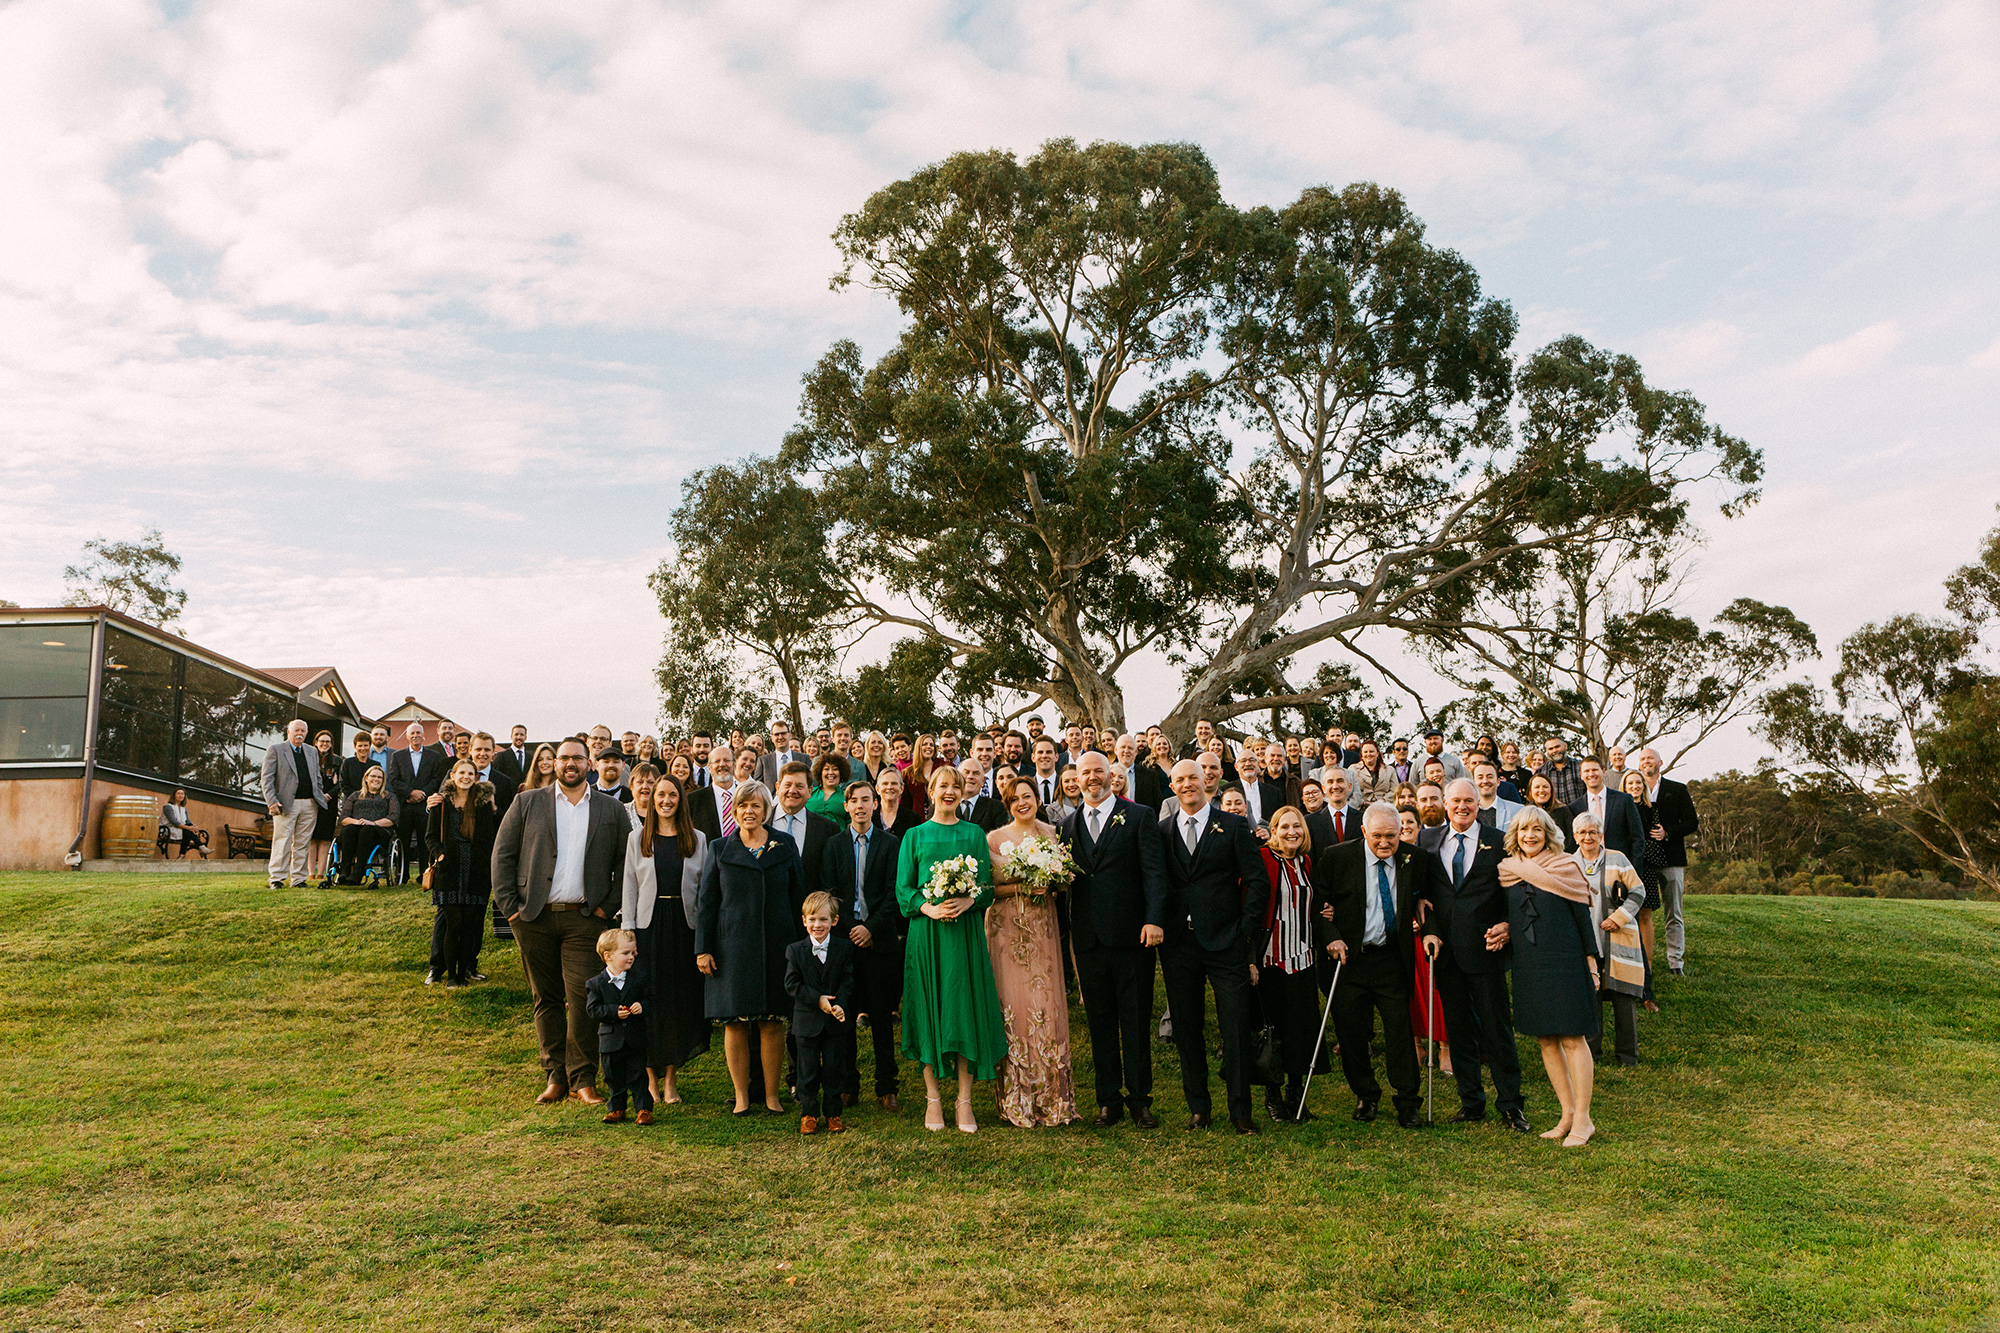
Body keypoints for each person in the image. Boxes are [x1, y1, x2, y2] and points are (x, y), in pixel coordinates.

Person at [493, 739, 629, 1107]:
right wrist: (512, 910)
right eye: (563, 758)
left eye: (577, 758)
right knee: (546, 998)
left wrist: (605, 909)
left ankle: (582, 1078)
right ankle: (555, 1076)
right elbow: (502, 856)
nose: (570, 764)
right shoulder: (527, 802)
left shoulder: (611, 809)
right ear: (553, 764)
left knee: (583, 997)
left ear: (590, 764)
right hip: (533, 918)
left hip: (585, 920)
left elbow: (623, 863)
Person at [1154, 759, 1265, 1133]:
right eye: (1180, 779)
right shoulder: (1163, 830)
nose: (1187, 784)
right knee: (1187, 1027)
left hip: (1226, 942)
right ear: (1172, 787)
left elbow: (1257, 881)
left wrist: (1243, 931)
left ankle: (1240, 1111)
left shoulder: (1233, 825)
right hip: (1178, 945)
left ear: (1207, 782)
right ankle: (1199, 1108)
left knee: (1234, 1026)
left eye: (1193, 778)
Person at [897, 765, 1008, 1134]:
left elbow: (987, 888)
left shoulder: (974, 833)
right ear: (930, 790)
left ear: (963, 792)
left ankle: (964, 1100)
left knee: (962, 1010)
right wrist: (926, 907)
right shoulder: (914, 835)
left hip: (963, 936)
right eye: (942, 785)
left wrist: (968, 902)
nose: (949, 791)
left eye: (955, 786)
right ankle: (932, 1099)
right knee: (930, 1009)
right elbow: (903, 890)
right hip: (926, 936)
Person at [1061, 751, 1168, 1129]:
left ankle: (1140, 1099)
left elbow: (1154, 873)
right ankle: (1108, 1100)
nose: (1092, 778)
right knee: (1100, 1021)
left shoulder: (1139, 816)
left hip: (1132, 936)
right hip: (1089, 939)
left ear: (1112, 775)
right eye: (1085, 772)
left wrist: (1154, 919)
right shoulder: (1068, 826)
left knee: (1135, 1020)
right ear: (1076, 778)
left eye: (1098, 772)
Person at [1315, 803, 1436, 1129]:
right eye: (1378, 836)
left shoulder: (1415, 858)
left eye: (1392, 837)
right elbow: (1318, 905)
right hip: (1350, 959)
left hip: (1390, 959)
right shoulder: (1337, 857)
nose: (1385, 843)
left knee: (1400, 1031)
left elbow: (1428, 899)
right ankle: (1366, 1095)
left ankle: (1408, 1101)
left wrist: (1431, 931)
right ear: (1364, 832)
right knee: (1351, 1032)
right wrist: (1332, 936)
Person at [1420, 780, 1529, 1131]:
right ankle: (1471, 1101)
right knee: (1459, 1031)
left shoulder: (1500, 842)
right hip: (1446, 954)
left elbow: (1518, 891)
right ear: (1445, 804)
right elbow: (1424, 894)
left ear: (1477, 805)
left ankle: (1511, 1104)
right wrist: (1428, 927)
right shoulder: (1428, 840)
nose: (1462, 806)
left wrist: (1509, 925)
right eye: (1456, 801)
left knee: (1497, 1032)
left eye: (1469, 800)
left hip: (1486, 950)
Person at [1497, 808, 1602, 1147]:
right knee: (1545, 1040)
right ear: (1516, 833)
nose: (1530, 835)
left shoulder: (1566, 867)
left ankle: (1584, 1120)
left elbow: (1582, 918)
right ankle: (1567, 1113)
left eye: (1537, 829)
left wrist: (1591, 963)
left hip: (1566, 961)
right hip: (1529, 964)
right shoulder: (1507, 871)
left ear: (1547, 833)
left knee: (1573, 1038)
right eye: (1524, 829)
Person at [695, 780, 799, 1116]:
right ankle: (741, 1096)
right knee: (735, 1023)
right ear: (734, 811)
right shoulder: (719, 848)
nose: (749, 811)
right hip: (732, 948)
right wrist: (703, 948)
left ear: (766, 810)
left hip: (778, 946)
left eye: (756, 806)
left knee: (772, 1021)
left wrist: (802, 948)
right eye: (743, 806)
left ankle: (771, 1096)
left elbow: (799, 896)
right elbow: (707, 903)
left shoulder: (785, 844)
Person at [984, 776, 1081, 1128]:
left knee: (1047, 1004)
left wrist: (1054, 881)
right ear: (1006, 804)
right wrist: (1022, 886)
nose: (1021, 803)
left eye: (1027, 796)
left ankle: (1053, 1099)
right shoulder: (994, 839)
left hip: (1042, 928)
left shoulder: (1054, 834)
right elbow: (988, 890)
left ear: (1037, 798)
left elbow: (1065, 879)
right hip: (1007, 931)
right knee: (1015, 1006)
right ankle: (1018, 1098)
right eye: (1014, 799)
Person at [620, 772, 709, 1106]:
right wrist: (629, 931)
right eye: (660, 796)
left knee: (677, 1003)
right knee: (650, 1002)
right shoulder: (637, 838)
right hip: (647, 927)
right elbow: (629, 885)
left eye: (672, 795)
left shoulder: (697, 838)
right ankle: (650, 1079)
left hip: (685, 929)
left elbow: (703, 890)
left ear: (680, 800)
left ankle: (671, 1079)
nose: (666, 801)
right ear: (652, 800)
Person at [823, 778, 905, 1110]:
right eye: (853, 800)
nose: (859, 805)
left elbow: (892, 892)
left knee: (882, 1018)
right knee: (844, 1017)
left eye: (866, 800)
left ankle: (887, 1086)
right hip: (844, 942)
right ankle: (848, 1084)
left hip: (879, 942)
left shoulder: (890, 844)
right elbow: (829, 892)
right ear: (846, 806)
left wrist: (870, 928)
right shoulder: (833, 846)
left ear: (875, 804)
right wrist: (852, 928)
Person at [1251, 805, 1316, 1125]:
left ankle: (1296, 1094)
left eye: (1298, 827)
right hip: (1271, 959)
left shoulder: (1305, 862)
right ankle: (1273, 1097)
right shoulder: (1263, 859)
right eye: (1285, 827)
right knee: (1273, 1032)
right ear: (1273, 830)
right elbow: (1248, 905)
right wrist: (1249, 957)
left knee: (1299, 1029)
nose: (1293, 832)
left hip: (1302, 958)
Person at [1571, 812, 1648, 1067]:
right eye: (1582, 833)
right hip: (1586, 941)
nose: (1588, 837)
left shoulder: (1618, 858)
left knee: (1623, 998)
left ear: (1601, 835)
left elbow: (1638, 891)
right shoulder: (1569, 864)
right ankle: (1592, 1054)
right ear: (1575, 837)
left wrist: (1619, 917)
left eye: (1592, 832)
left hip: (1618, 938)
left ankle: (1628, 1057)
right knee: (1589, 998)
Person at [784, 891, 856, 1135]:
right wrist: (818, 1000)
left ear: (834, 921)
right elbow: (792, 984)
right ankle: (809, 1113)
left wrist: (841, 1004)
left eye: (823, 920)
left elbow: (848, 981)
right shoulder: (795, 951)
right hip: (806, 1023)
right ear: (804, 920)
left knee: (834, 1070)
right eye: (813, 919)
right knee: (808, 1071)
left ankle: (833, 1113)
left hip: (835, 1023)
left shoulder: (844, 949)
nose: (818, 925)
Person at [422, 758, 497, 987]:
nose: (466, 777)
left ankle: (463, 972)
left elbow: (489, 838)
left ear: (476, 777)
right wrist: (441, 855)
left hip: (475, 870)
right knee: (452, 924)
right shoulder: (441, 803)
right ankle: (449, 976)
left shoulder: (482, 805)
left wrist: (485, 865)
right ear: (452, 776)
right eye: (461, 773)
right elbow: (430, 836)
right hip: (449, 870)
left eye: (470, 773)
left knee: (469, 925)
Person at [1636, 747, 1700, 978]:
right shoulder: (1634, 789)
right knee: (1642, 912)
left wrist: (1668, 832)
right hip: (1643, 862)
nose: (1646, 762)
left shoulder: (1677, 789)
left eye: (1650, 758)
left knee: (1674, 911)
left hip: (1671, 858)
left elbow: (1692, 821)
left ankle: (1676, 963)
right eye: (1642, 759)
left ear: (1660, 762)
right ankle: (1642, 962)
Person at [584, 929, 653, 1125]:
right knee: (612, 1076)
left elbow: (651, 1001)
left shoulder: (639, 978)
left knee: (639, 1075)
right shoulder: (596, 984)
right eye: (625, 953)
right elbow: (593, 1009)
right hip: (610, 1039)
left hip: (635, 1037)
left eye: (633, 953)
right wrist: (614, 1012)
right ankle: (616, 1109)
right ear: (608, 956)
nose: (631, 957)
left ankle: (643, 1110)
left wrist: (642, 1006)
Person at [260, 719, 326, 890]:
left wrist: (318, 796)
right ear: (288, 732)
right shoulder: (275, 750)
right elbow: (267, 779)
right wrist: (272, 801)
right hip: (286, 804)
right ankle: (277, 878)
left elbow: (317, 777)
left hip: (309, 804)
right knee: (282, 841)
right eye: (296, 730)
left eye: (303, 731)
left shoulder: (312, 751)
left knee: (303, 843)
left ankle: (298, 879)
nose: (300, 734)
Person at [387, 723, 445, 884]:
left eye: (418, 732)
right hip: (405, 805)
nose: (415, 735)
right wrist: (410, 793)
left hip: (425, 806)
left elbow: (436, 779)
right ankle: (402, 875)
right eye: (412, 733)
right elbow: (393, 779)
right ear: (407, 735)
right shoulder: (398, 756)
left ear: (423, 735)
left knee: (425, 842)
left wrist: (422, 794)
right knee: (403, 841)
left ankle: (424, 875)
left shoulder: (433, 756)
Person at [1570, 757, 1641, 863]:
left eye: (1594, 770)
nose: (1591, 774)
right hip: (1588, 869)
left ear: (1603, 772)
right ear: (1581, 775)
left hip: (1620, 866)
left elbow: (1637, 837)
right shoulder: (1574, 807)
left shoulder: (1624, 800)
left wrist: (1633, 870)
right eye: (1587, 771)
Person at [335, 765, 398, 883]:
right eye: (373, 776)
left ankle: (359, 871)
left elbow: (393, 818)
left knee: (367, 829)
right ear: (366, 778)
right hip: (355, 830)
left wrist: (373, 823)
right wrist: (357, 822)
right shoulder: (355, 795)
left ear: (383, 780)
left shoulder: (389, 797)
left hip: (378, 833)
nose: (376, 779)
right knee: (349, 829)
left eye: (379, 777)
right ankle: (345, 869)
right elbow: (343, 818)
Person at [308, 730, 341, 880]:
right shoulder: (309, 758)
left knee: (325, 838)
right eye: (321, 741)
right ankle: (310, 873)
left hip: (329, 803)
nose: (324, 744)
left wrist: (329, 795)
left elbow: (341, 783)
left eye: (327, 741)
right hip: (311, 802)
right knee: (311, 838)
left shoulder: (338, 761)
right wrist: (316, 795)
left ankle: (321, 873)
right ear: (316, 742)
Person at [1522, 773, 1574, 849]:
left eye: (1545, 787)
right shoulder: (1524, 813)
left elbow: (1571, 840)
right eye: (1537, 787)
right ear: (1530, 792)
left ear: (1551, 790)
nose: (1541, 790)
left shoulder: (1563, 810)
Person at [1472, 759, 1525, 831]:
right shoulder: (1467, 811)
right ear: (1473, 783)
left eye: (1490, 777)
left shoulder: (1518, 811)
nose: (1485, 781)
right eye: (1480, 777)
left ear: (1498, 782)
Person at [755, 720, 810, 787]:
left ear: (789, 735)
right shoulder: (763, 761)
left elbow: (810, 784)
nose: (780, 737)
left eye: (783, 733)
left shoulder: (804, 759)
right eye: (776, 734)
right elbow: (757, 787)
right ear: (772, 738)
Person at [1537, 736, 1586, 808]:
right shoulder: (1541, 771)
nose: (1554, 751)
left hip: (1580, 814)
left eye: (1557, 747)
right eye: (1551, 749)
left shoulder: (1580, 766)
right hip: (1553, 816)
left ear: (1565, 746)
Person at [160, 788, 209, 860]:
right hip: (169, 830)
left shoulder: (184, 808)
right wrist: (189, 828)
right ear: (174, 796)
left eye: (182, 794)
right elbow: (174, 822)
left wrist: (194, 827)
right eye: (178, 793)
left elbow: (188, 821)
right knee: (188, 830)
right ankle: (201, 847)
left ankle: (182, 855)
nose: (180, 795)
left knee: (189, 830)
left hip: (182, 830)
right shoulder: (168, 807)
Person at [1347, 740, 1396, 806]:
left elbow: (1395, 791)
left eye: (1371, 751)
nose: (1368, 754)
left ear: (1377, 753)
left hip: (1384, 807)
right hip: (1360, 808)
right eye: (1365, 752)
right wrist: (1364, 802)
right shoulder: (1353, 769)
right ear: (1361, 754)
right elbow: (1349, 790)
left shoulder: (1390, 770)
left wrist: (1381, 802)